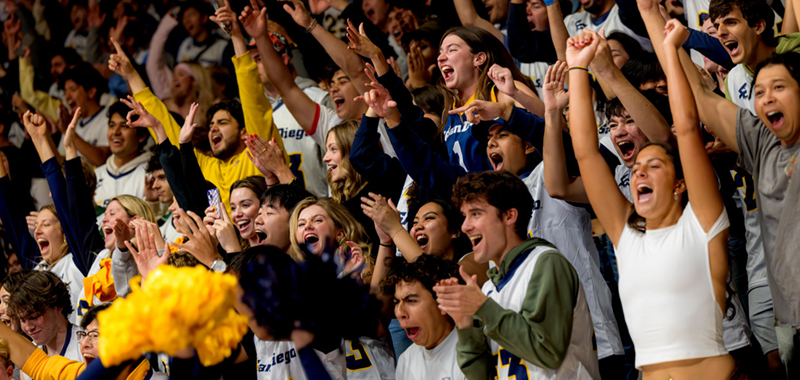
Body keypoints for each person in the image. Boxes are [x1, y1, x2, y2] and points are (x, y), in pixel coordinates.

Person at [567, 27, 742, 378]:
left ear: (680, 183)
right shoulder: (626, 237)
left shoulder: (702, 224)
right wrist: (576, 69)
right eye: (637, 170)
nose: (639, 173)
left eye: (654, 166)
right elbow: (586, 155)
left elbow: (688, 129)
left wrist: (670, 52)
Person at [434, 171, 600, 379]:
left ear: (509, 216)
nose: (466, 226)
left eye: (476, 214)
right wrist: (465, 326)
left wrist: (483, 307)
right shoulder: (488, 289)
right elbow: (481, 376)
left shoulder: (545, 263)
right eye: (465, 216)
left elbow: (548, 352)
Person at [109, 27, 286, 211]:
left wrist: (236, 37)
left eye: (223, 122)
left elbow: (254, 101)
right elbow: (165, 126)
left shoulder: (257, 156)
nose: (214, 129)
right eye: (210, 125)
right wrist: (131, 74)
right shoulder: (205, 167)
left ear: (243, 132)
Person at [380, 254, 464, 380]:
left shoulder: (471, 350)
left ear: (443, 301)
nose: (400, 313)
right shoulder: (406, 361)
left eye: (411, 301)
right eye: (396, 302)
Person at [709, 0, 800, 114]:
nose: (720, 32)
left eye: (731, 22)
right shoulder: (732, 81)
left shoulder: (796, 56)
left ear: (758, 27)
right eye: (717, 26)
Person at [8, 271, 83, 365]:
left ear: (58, 305)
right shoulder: (28, 356)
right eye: (22, 320)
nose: (28, 327)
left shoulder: (89, 344)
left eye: (34, 317)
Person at [92, 101, 153, 206]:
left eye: (124, 126)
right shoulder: (95, 176)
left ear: (142, 136)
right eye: (112, 125)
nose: (116, 132)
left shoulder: (150, 175)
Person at [57, 65, 111, 166]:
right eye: (65, 92)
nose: (67, 97)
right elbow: (61, 161)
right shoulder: (72, 123)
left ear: (91, 92)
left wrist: (68, 131)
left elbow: (100, 159)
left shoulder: (108, 116)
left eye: (73, 90)